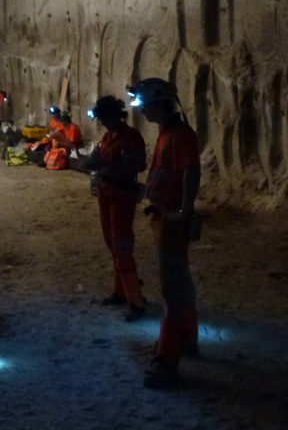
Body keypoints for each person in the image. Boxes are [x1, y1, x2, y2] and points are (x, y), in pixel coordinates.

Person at [127, 78, 201, 389]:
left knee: (173, 289)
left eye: (144, 106)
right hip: (163, 218)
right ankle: (186, 337)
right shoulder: (166, 135)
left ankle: (167, 360)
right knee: (179, 282)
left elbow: (190, 173)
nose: (142, 111)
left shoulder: (180, 136)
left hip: (172, 221)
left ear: (159, 104)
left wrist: (183, 212)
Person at [84, 95, 148, 322]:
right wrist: (94, 162)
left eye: (106, 117)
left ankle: (136, 302)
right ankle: (120, 292)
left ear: (117, 115)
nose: (104, 122)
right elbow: (103, 159)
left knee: (121, 245)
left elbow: (139, 164)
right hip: (106, 191)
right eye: (102, 118)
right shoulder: (107, 137)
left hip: (122, 194)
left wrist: (105, 163)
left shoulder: (131, 137)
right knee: (112, 243)